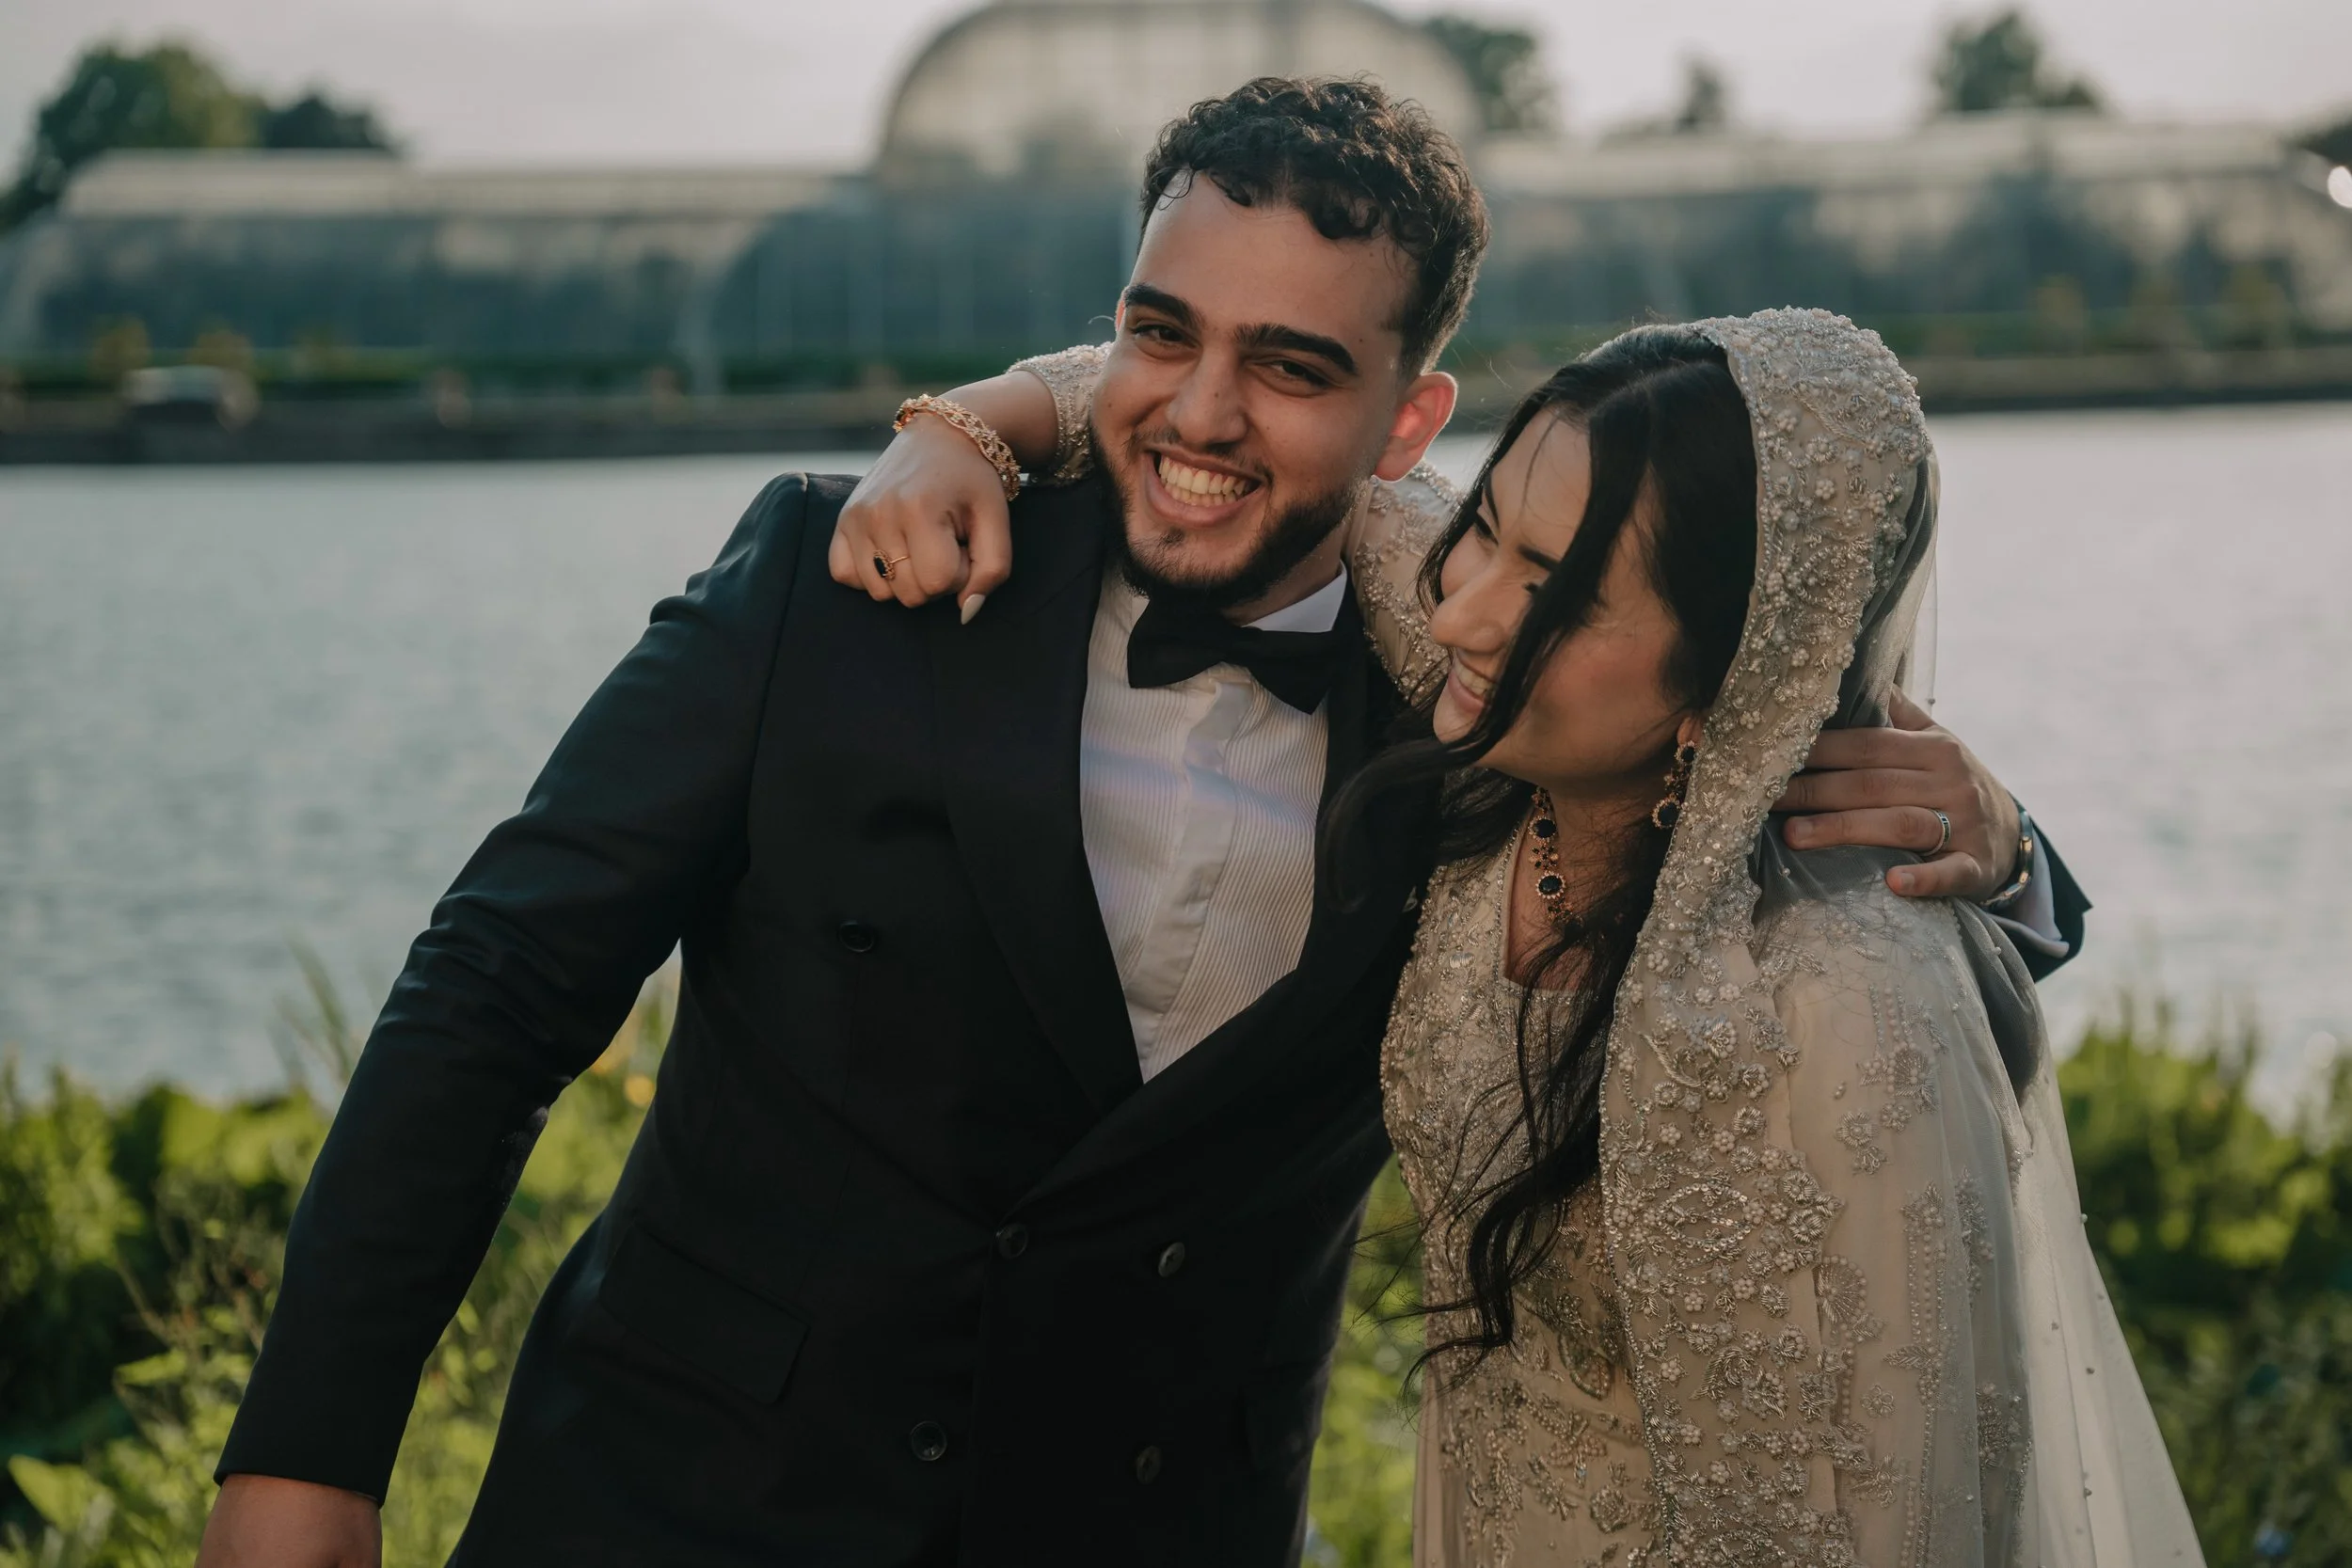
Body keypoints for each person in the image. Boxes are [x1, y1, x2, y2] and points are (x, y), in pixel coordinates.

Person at [197, 81, 2075, 1568]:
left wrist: (2010, 850)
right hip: (671, 1513)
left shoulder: (1479, 689)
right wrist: (301, 1457)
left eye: (1289, 366)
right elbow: (488, 995)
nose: (1193, 409)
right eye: (1157, 332)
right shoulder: (827, 575)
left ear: (1412, 418)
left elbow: (1755, 795)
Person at [845, 308, 2198, 1563]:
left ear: (1730, 673)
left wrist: (2011, 859)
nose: (1461, 603)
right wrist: (961, 426)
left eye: (1551, 583)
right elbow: (1248, 428)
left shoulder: (1840, 999)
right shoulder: (1497, 750)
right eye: (1484, 525)